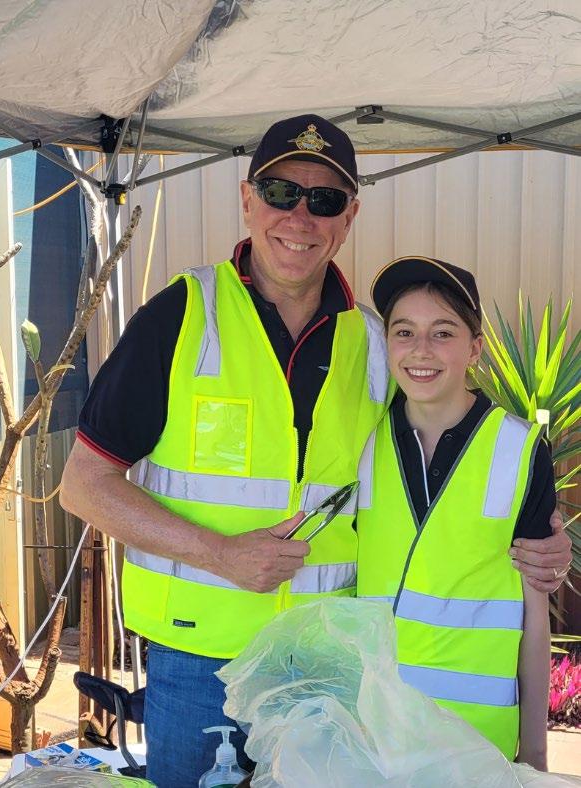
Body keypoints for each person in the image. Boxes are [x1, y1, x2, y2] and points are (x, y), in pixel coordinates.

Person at [60, 118, 570, 786]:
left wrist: (542, 537)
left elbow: (452, 451)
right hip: (200, 661)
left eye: (325, 200)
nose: (300, 217)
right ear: (248, 200)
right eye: (281, 192)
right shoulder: (181, 316)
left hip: (328, 670)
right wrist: (219, 553)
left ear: (348, 217)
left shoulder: (375, 342)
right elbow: (83, 486)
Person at [357, 256, 557, 769]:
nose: (421, 350)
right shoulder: (361, 441)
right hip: (378, 740)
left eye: (443, 333)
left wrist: (534, 754)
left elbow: (535, 614)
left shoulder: (519, 448)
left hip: (479, 747)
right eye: (404, 332)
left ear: (474, 348)